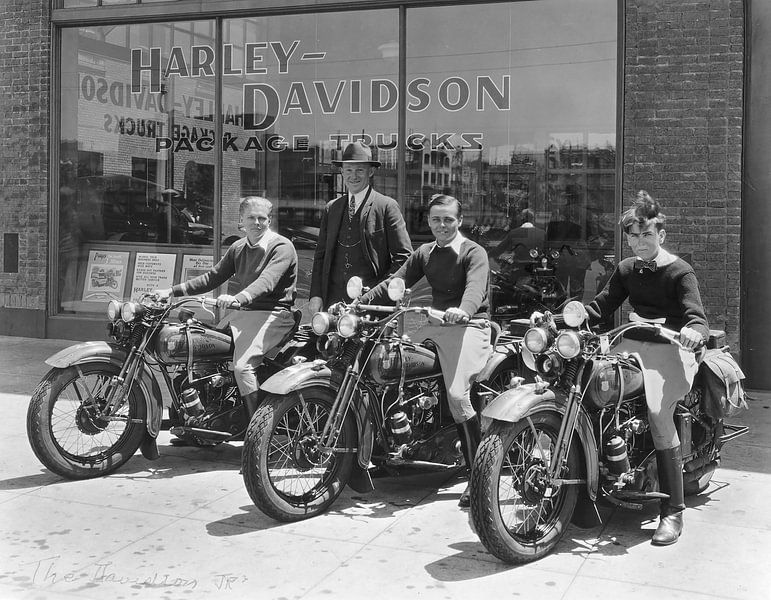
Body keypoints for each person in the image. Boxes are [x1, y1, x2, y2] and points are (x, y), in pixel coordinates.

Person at [585, 190, 708, 546]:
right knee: (591, 394)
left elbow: (696, 316)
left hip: (671, 349)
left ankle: (673, 512)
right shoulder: (626, 269)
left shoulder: (679, 271)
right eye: (633, 236)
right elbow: (602, 307)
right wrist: (569, 318)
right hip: (629, 345)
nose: (639, 242)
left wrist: (693, 333)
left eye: (646, 235)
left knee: (656, 412)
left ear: (661, 236)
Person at [360, 194, 493, 508]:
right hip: (435, 324)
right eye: (436, 219)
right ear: (429, 221)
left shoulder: (474, 252)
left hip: (469, 326)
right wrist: (359, 302)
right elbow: (396, 282)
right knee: (390, 364)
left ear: (459, 221)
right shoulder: (425, 252)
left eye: (448, 219)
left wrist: (464, 309)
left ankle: (478, 476)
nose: (442, 225)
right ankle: (394, 443)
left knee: (459, 396)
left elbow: (476, 287)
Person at [157, 196, 298, 418]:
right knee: (201, 353)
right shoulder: (238, 247)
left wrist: (239, 298)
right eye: (251, 217)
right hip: (243, 315)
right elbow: (213, 277)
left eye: (262, 218)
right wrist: (172, 291)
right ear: (241, 220)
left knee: (243, 369)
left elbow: (267, 281)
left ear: (270, 220)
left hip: (274, 315)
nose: (257, 223)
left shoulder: (282, 246)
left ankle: (258, 428)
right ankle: (203, 419)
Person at [308, 141, 412, 313]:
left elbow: (404, 257)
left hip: (370, 306)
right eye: (348, 170)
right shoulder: (332, 208)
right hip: (332, 303)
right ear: (341, 171)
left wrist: (378, 293)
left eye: (359, 170)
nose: (353, 176)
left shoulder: (386, 206)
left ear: (371, 172)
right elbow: (320, 256)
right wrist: (316, 295)